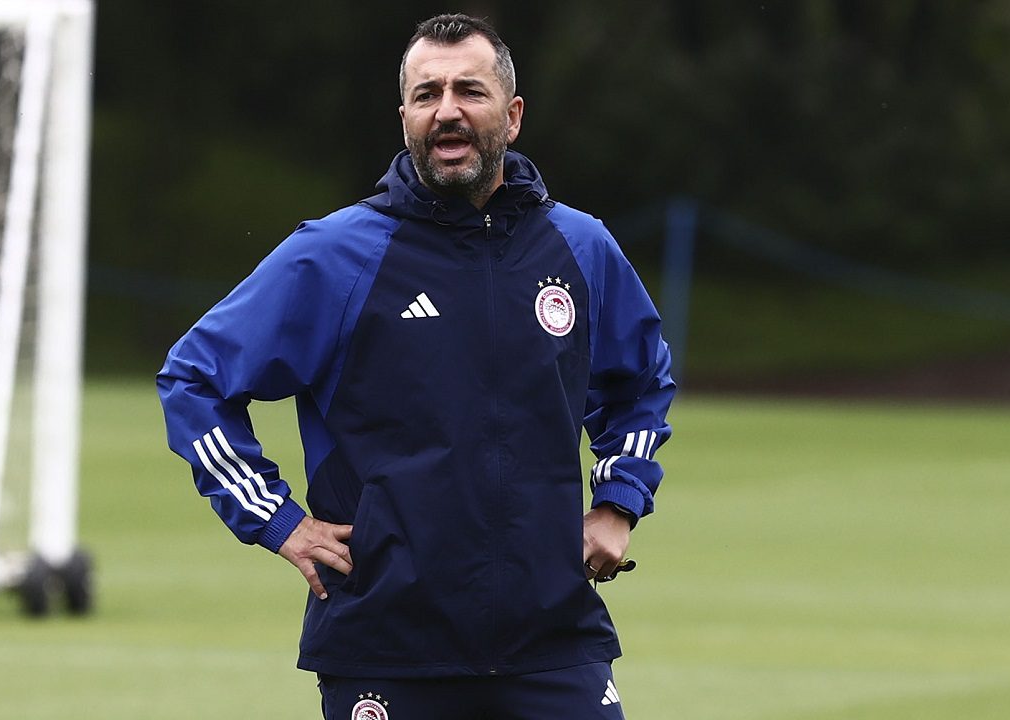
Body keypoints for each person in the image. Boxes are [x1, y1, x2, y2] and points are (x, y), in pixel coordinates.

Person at [157, 13, 675, 720]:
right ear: (404, 117)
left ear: (512, 116)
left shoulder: (580, 247)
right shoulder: (335, 255)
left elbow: (640, 382)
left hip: (553, 639)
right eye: (427, 94)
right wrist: (276, 520)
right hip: (386, 646)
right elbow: (194, 378)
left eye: (470, 91)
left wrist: (617, 502)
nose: (447, 110)